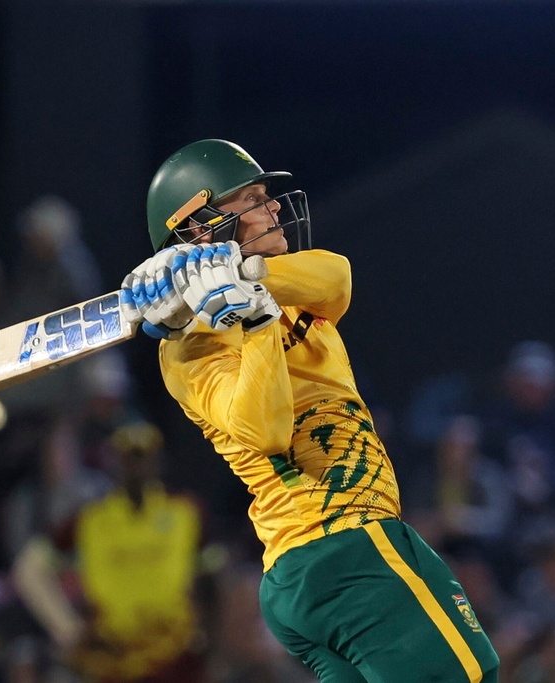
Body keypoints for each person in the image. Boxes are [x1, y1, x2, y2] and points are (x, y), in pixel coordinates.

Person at [119, 139, 500, 682]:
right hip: (340, 540)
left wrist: (245, 277)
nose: (273, 206)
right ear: (199, 226)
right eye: (251, 198)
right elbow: (266, 430)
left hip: (306, 573)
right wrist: (253, 325)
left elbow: (338, 276)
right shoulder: (188, 348)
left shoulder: (287, 283)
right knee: (470, 675)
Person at [11, 421, 209, 682]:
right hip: (114, 657)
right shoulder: (92, 519)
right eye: (129, 459)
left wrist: (211, 638)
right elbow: (29, 568)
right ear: (116, 463)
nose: (137, 468)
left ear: (158, 461)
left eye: (143, 458)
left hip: (176, 653)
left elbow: (212, 575)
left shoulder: (184, 513)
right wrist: (67, 629)